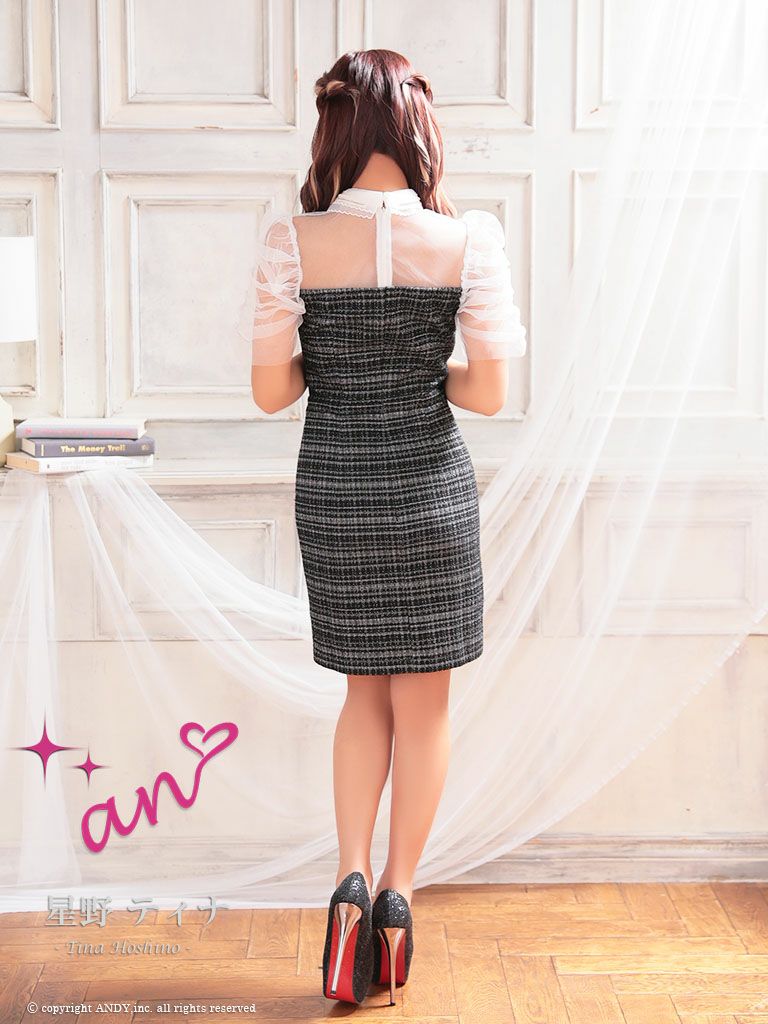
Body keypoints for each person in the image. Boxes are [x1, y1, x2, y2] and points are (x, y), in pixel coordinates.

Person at [239, 48, 526, 1007]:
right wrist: (420, 372)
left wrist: (337, 369)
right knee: (424, 707)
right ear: (416, 127)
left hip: (337, 492)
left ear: (336, 129)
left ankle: (349, 882)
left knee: (362, 695)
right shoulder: (467, 240)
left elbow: (271, 392)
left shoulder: (293, 241)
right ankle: (399, 900)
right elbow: (487, 394)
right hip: (431, 493)